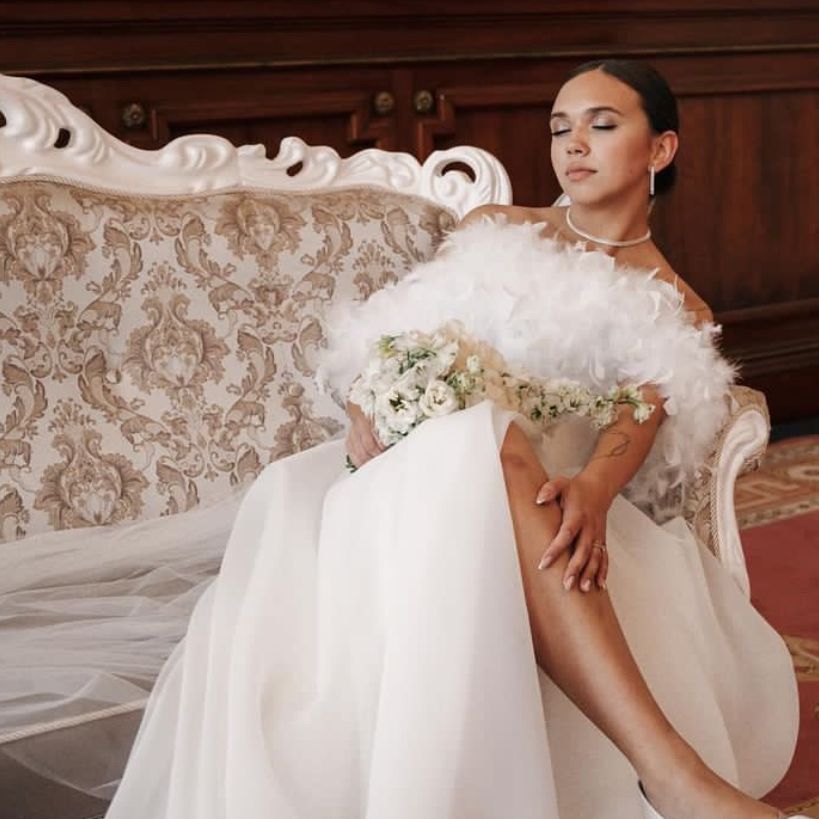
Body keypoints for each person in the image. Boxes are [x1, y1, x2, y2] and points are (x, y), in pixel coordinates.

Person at [105, 60, 800, 819]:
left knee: (503, 452)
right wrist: (367, 401)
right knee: (486, 437)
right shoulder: (494, 229)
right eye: (559, 129)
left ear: (659, 149)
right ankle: (672, 777)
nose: (573, 144)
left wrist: (595, 489)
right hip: (398, 488)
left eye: (601, 125)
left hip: (540, 507)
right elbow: (394, 342)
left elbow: (640, 412)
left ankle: (667, 777)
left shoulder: (675, 301)